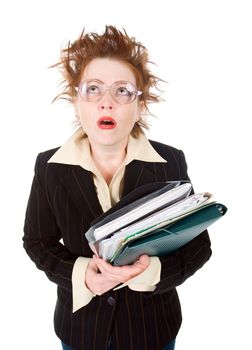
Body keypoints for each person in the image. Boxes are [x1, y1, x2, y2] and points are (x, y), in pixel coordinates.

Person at [23, 26, 212, 350]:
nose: (107, 102)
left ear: (140, 106)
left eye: (122, 91)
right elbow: (38, 242)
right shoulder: (49, 167)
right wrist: (82, 273)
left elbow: (198, 246)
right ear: (76, 102)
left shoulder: (170, 162)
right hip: (81, 330)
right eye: (93, 89)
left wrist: (148, 273)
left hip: (153, 329)